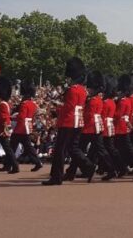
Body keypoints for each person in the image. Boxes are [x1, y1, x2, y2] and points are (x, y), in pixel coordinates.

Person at [42, 57, 94, 186]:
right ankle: (88, 166)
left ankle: (56, 177)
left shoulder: (72, 89)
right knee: (73, 148)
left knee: (60, 150)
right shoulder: (83, 90)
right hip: (78, 122)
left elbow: (68, 107)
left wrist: (57, 106)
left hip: (68, 122)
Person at [67, 70, 115, 181]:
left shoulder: (93, 100)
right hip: (95, 127)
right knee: (97, 151)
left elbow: (88, 115)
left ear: (94, 88)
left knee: (79, 150)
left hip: (90, 128)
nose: (88, 89)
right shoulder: (97, 99)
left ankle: (73, 171)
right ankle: (72, 171)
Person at [6, 80, 43, 172]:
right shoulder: (33, 104)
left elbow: (21, 117)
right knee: (27, 147)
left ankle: (12, 166)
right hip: (27, 127)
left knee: (12, 148)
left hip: (20, 128)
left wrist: (12, 118)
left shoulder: (24, 104)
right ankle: (37, 162)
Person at [115, 74, 133, 174]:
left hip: (129, 122)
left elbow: (122, 114)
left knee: (132, 147)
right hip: (131, 122)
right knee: (132, 147)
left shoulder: (129, 99)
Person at [100, 75, 125, 180]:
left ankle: (115, 169)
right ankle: (117, 168)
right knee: (110, 150)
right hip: (110, 127)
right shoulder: (111, 102)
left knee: (106, 150)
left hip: (105, 127)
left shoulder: (106, 102)